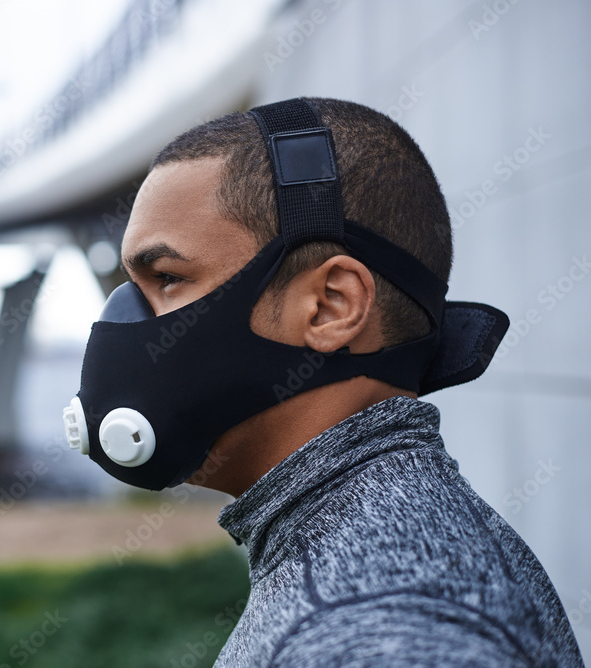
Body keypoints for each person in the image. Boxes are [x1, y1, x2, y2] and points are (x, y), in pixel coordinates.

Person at [63, 97, 584, 666]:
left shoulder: (381, 627)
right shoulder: (389, 559)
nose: (125, 323)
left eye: (167, 278)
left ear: (331, 307)